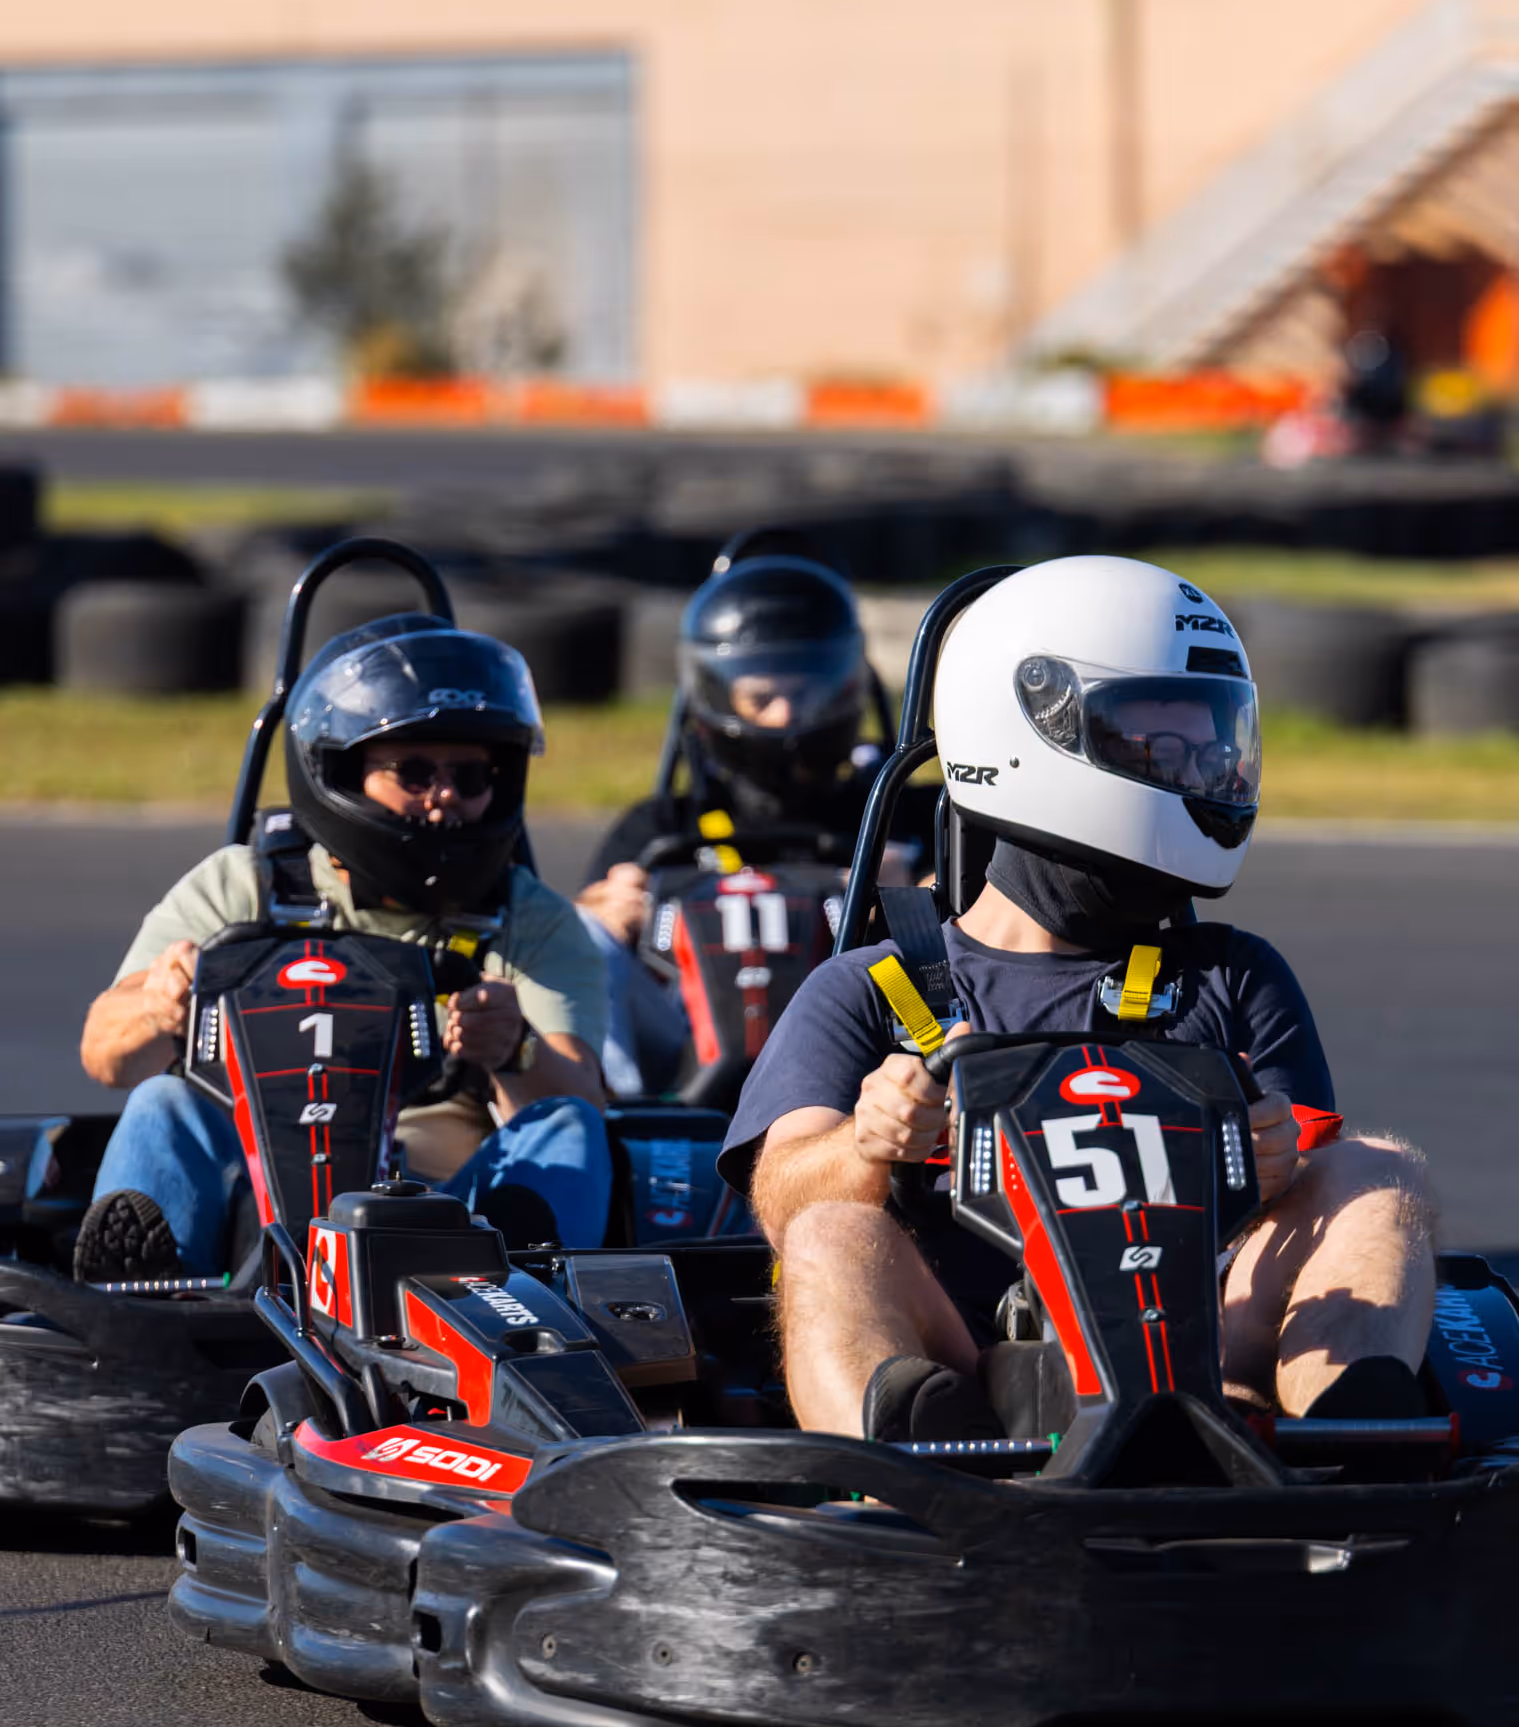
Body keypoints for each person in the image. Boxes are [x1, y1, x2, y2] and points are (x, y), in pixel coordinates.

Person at [718, 553, 1436, 1445]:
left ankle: (1345, 1436)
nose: (1194, 768)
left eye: (1204, 743)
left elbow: (1314, 1186)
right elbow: (781, 1196)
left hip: (1204, 1358)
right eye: (1153, 743)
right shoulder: (871, 989)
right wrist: (867, 1146)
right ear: (1031, 733)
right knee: (828, 1227)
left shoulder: (1229, 974)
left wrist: (1274, 1158)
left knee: (1377, 1168)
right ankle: (906, 1454)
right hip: (972, 1367)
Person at [73, 612, 612, 1281]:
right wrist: (160, 1006)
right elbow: (106, 1058)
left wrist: (514, 1048)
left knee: (567, 1126)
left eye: (469, 777)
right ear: (342, 773)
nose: (444, 798)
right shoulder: (244, 886)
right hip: (254, 1182)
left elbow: (580, 1097)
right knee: (161, 1100)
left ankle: (525, 1299)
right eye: (414, 773)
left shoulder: (529, 917)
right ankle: (140, 1303)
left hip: (441, 1215)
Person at [576, 546, 935, 1093]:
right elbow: (582, 956)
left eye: (804, 692)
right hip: (680, 1061)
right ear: (718, 694)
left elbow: (991, 949)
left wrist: (916, 908)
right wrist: (600, 915)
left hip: (869, 1064)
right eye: (763, 697)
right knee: (581, 935)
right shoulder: (659, 827)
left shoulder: (902, 816)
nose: (787, 716)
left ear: (845, 684)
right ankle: (615, 1124)